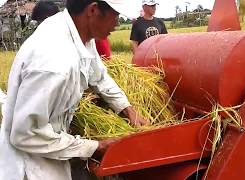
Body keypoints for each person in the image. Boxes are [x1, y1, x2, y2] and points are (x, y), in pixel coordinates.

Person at [0, 0, 148, 179]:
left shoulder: (80, 35)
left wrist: (128, 109)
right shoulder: (53, 63)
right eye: (115, 16)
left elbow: (99, 76)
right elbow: (25, 134)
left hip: (53, 150)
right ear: (93, 10)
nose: (117, 23)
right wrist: (95, 147)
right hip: (32, 166)